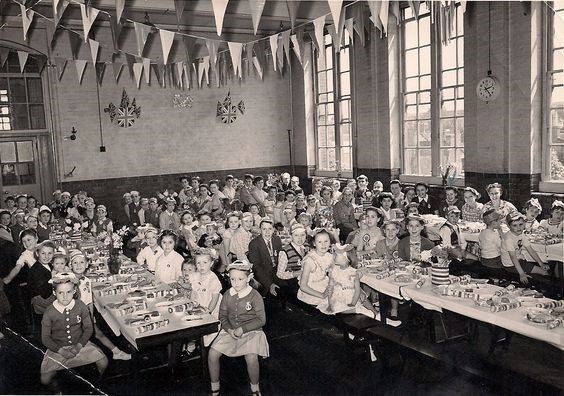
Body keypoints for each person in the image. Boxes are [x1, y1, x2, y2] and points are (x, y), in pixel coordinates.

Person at [40, 272, 108, 394]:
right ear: (54, 293)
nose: (65, 296)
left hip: (80, 345)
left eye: (69, 292)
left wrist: (79, 346)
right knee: (45, 378)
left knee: (103, 361)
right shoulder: (49, 312)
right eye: (61, 293)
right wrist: (60, 350)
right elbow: (45, 338)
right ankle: (57, 392)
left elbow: (88, 328)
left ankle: (96, 386)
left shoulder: (80, 306)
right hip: (57, 348)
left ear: (74, 291)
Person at [208, 260, 269, 396]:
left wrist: (242, 329)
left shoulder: (255, 296)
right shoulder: (227, 294)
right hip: (230, 330)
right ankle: (214, 386)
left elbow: (261, 320)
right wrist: (229, 329)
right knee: (212, 353)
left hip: (252, 330)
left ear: (249, 278)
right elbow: (222, 316)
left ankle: (255, 387)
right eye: (232, 279)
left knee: (251, 356)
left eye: (240, 279)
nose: (236, 283)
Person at [69, 250, 131, 361]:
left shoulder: (86, 280)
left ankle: (116, 352)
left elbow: (89, 302)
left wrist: (92, 318)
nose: (78, 265)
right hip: (76, 320)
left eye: (81, 262)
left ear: (87, 264)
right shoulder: (70, 283)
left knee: (98, 333)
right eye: (75, 263)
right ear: (70, 265)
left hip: (87, 316)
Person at [318, 244, 378, 318]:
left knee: (349, 304)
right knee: (335, 308)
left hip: (350, 296)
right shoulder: (333, 270)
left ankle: (362, 310)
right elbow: (330, 287)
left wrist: (353, 303)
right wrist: (330, 302)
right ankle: (358, 310)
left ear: (346, 258)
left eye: (336, 255)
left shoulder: (353, 273)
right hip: (337, 296)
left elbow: (357, 291)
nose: (333, 257)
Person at [501, 213, 550, 284]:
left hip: (520, 260)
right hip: (511, 264)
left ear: (524, 223)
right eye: (514, 225)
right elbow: (513, 257)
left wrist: (541, 263)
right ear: (509, 226)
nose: (518, 228)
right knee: (544, 272)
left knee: (541, 268)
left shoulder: (521, 234)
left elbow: (530, 249)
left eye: (520, 224)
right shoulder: (508, 238)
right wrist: (521, 273)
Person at [248, 218, 283, 298]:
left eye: (270, 229)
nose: (267, 232)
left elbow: (281, 258)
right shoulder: (254, 244)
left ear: (274, 229)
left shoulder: (277, 239)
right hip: (263, 275)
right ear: (260, 229)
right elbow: (257, 268)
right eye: (264, 229)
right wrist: (269, 284)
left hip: (277, 273)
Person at [297, 229, 333, 306]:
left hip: (324, 283)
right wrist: (322, 295)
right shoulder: (310, 261)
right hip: (311, 290)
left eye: (326, 241)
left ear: (330, 242)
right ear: (314, 243)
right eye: (319, 242)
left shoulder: (329, 256)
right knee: (334, 303)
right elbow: (303, 286)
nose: (323, 245)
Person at [29, 240, 57, 314]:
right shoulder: (35, 270)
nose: (46, 256)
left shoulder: (49, 265)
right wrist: (53, 278)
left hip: (48, 296)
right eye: (43, 253)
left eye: (50, 253)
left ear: (54, 253)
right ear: (37, 254)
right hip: (42, 302)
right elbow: (44, 293)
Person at [277, 223, 308, 288]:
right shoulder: (285, 252)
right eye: (296, 235)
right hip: (291, 284)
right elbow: (279, 274)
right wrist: (294, 274)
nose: (300, 238)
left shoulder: (306, 249)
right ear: (291, 236)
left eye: (302, 235)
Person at [478, 209, 505, 276]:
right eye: (499, 220)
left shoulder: (482, 232)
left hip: (484, 259)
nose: (500, 222)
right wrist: (501, 233)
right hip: (494, 261)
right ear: (493, 222)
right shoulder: (493, 234)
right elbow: (504, 246)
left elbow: (480, 245)